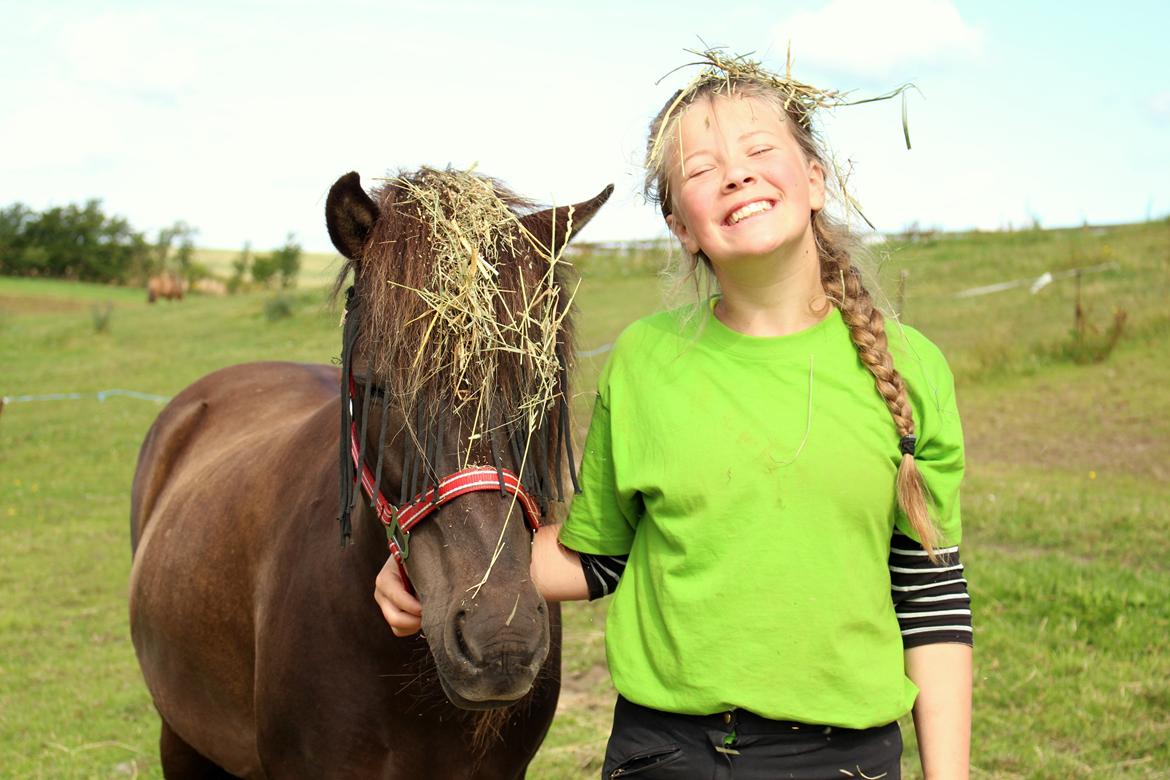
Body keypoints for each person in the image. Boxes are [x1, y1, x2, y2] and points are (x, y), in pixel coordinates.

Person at [376, 53, 972, 779]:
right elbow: (598, 556)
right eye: (700, 169)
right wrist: (429, 568)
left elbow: (930, 596)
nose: (737, 174)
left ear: (815, 178)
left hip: (844, 760)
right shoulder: (645, 360)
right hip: (664, 754)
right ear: (679, 226)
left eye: (760, 150)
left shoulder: (913, 368)